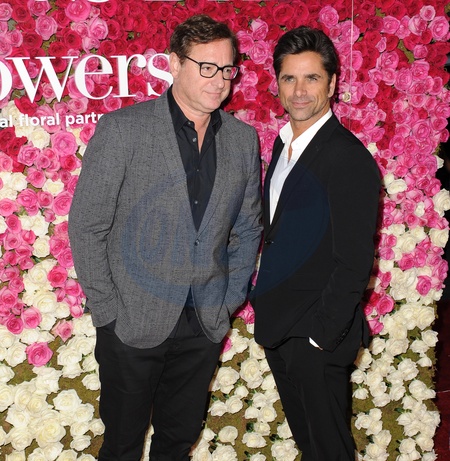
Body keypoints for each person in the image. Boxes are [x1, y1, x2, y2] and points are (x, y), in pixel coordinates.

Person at [68, 14, 262, 461]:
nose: (220, 81)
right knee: (122, 445)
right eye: (207, 67)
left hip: (204, 323)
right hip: (131, 323)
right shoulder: (123, 130)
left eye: (227, 69)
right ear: (174, 64)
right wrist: (109, 312)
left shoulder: (242, 140)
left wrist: (229, 299)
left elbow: (248, 226)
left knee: (178, 442)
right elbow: (87, 224)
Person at [249, 26, 380, 461]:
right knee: (311, 446)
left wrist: (320, 339)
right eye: (289, 78)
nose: (300, 90)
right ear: (277, 84)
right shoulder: (283, 144)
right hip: (281, 328)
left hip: (316, 337)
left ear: (333, 83)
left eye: (312, 78)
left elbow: (354, 261)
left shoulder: (347, 157)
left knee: (329, 451)